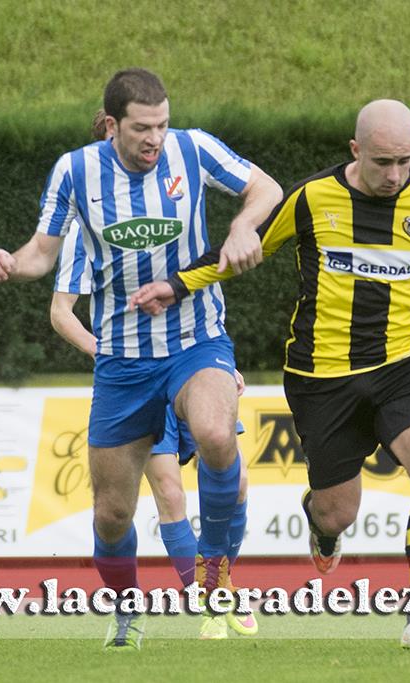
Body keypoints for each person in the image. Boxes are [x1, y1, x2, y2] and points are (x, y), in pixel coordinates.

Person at [129, 99, 410, 650]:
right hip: (322, 379)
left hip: (405, 367)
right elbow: (243, 249)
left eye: (406, 162)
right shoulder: (312, 198)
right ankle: (320, 523)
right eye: (383, 162)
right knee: (338, 511)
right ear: (355, 150)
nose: (395, 175)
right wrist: (178, 285)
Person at [0, 68, 282, 650]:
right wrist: (9, 263)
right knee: (112, 514)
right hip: (122, 359)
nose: (155, 139)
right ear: (112, 124)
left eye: (162, 126)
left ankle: (215, 579)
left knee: (219, 436)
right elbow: (42, 253)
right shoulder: (76, 171)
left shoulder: (192, 149)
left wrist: (243, 226)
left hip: (198, 339)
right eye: (143, 128)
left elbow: (265, 188)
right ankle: (126, 611)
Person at [51, 207, 257, 640]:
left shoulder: (182, 204)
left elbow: (204, 287)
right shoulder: (86, 226)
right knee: (156, 498)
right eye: (131, 132)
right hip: (133, 376)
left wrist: (218, 367)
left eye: (156, 132)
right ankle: (194, 606)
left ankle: (219, 584)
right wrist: (104, 352)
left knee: (233, 481)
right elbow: (61, 311)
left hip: (194, 360)